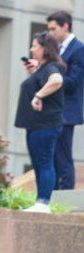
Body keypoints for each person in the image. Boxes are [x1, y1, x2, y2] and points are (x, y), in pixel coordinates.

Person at [19, 31, 67, 211]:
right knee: (39, 162)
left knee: (45, 161)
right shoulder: (44, 68)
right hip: (36, 124)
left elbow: (57, 80)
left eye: (35, 46)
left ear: (45, 49)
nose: (31, 50)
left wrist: (38, 96)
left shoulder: (52, 68)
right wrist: (34, 72)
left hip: (46, 123)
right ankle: (40, 201)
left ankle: (43, 202)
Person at [46, 11, 84, 190]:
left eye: (53, 29)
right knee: (51, 156)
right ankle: (51, 197)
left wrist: (53, 77)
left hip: (66, 112)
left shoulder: (78, 49)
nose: (50, 34)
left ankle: (65, 198)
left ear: (65, 26)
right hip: (53, 111)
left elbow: (74, 83)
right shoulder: (56, 51)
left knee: (63, 157)